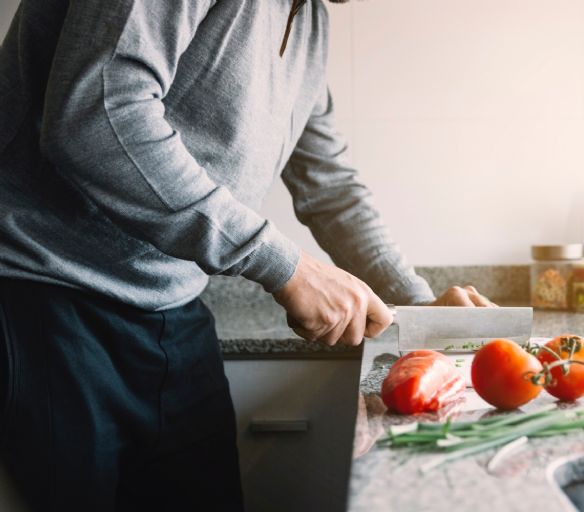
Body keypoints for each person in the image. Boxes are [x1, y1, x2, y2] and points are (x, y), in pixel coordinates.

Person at [0, 0, 494, 510]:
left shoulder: (309, 21)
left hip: (174, 309)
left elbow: (329, 187)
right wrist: (285, 266)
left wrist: (419, 306)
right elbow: (96, 115)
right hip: (45, 298)